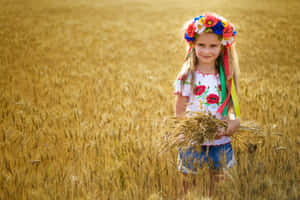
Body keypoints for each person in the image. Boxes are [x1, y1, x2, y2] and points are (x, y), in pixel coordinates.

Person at [173, 13, 241, 197]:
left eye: (213, 46)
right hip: (192, 140)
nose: (207, 51)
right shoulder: (188, 75)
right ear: (192, 45)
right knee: (188, 182)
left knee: (219, 183)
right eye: (201, 45)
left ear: (223, 46)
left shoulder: (226, 76)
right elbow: (179, 108)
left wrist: (233, 124)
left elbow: (234, 110)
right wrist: (184, 131)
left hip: (220, 140)